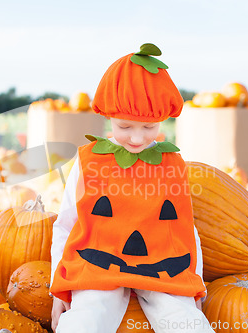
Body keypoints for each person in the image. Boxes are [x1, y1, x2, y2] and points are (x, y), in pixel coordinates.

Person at [49, 43, 214, 333]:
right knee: (86, 317)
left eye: (149, 128)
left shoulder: (172, 164)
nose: (137, 139)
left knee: (186, 322)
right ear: (107, 115)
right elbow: (65, 224)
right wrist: (57, 286)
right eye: (124, 127)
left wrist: (194, 285)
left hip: (162, 265)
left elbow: (186, 230)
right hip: (98, 262)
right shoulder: (89, 161)